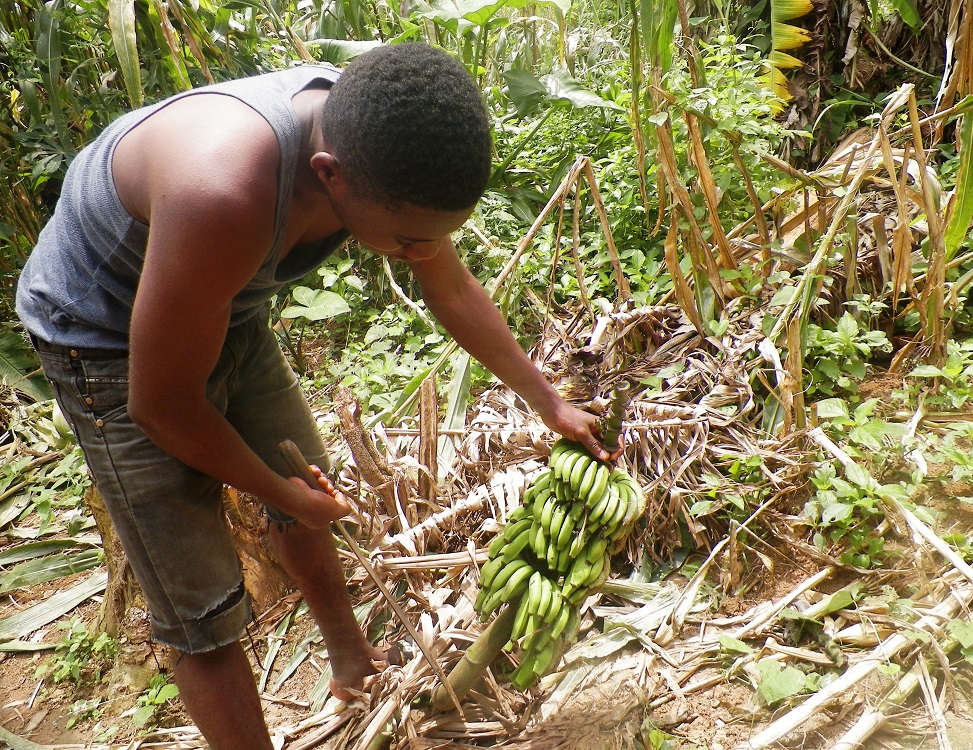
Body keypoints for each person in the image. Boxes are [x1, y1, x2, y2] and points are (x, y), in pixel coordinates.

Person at [15, 43, 612, 748]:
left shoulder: (380, 148)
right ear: (328, 175)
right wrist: (280, 492)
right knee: (200, 613)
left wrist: (549, 401)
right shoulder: (223, 193)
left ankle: (350, 658)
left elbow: (450, 287)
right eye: (408, 241)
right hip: (102, 340)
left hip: (220, 305)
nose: (422, 254)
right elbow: (163, 406)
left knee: (305, 493)